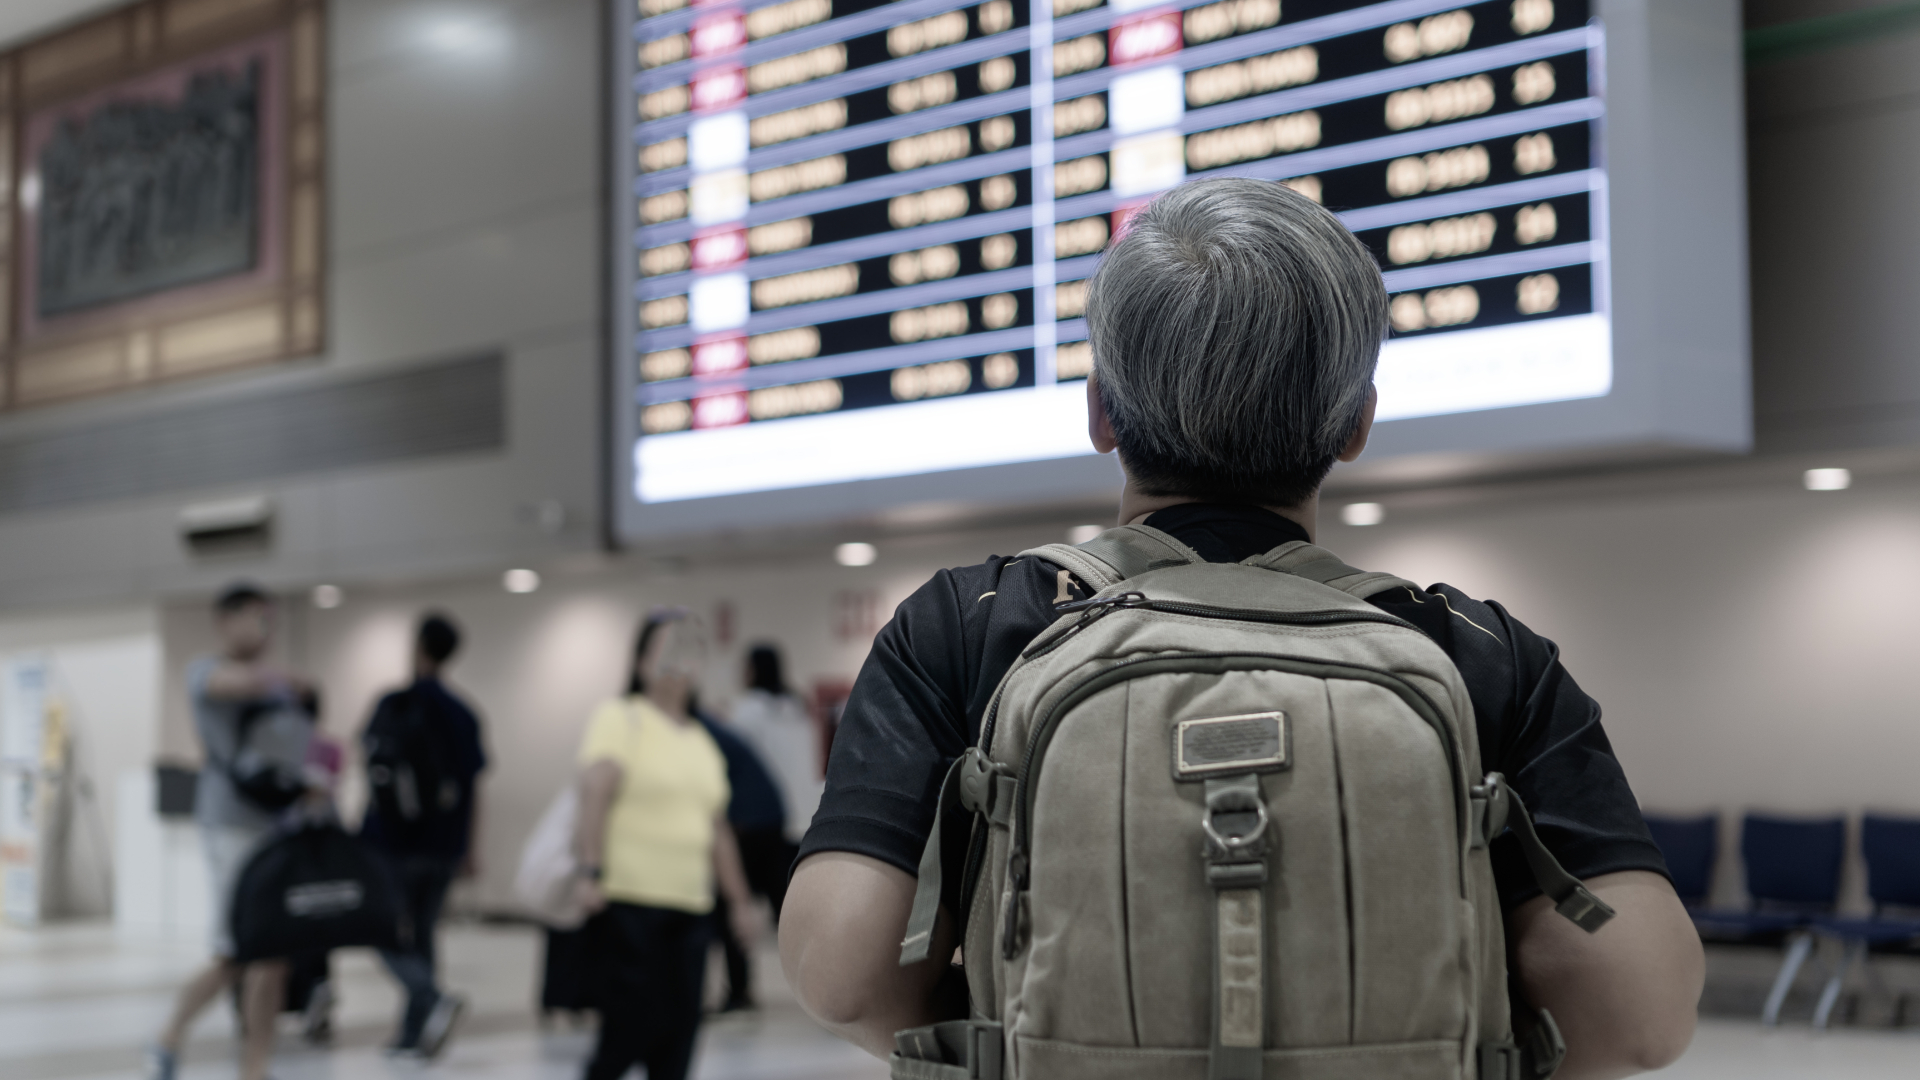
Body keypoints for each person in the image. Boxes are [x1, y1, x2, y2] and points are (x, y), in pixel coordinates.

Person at [778, 178, 1705, 1078]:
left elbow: (846, 974)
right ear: (1356, 425)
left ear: (1100, 410)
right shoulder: (1478, 652)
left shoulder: (970, 625)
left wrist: (1010, 1040)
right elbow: (1640, 1012)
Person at [572, 610, 759, 1080]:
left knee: (679, 1036)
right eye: (667, 650)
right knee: (625, 1033)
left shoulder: (702, 740)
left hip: (692, 908)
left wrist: (738, 902)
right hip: (630, 904)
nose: (680, 663)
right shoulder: (620, 718)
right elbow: (594, 793)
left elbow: (718, 830)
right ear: (640, 664)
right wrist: (589, 870)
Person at [147, 584, 311, 1080]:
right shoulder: (205, 670)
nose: (267, 630)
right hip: (230, 827)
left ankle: (255, 1066)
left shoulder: (275, 684)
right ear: (226, 620)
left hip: (277, 826)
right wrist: (287, 682)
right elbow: (237, 685)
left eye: (272, 622)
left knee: (274, 956)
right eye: (258, 618)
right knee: (236, 951)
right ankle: (169, 1033)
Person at [358, 613, 486, 1058]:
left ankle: (431, 1000)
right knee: (425, 933)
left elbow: (372, 773)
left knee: (382, 931)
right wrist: (470, 847)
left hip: (392, 842)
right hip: (444, 844)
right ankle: (415, 1033)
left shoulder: (392, 704)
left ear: (418, 647)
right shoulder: (464, 714)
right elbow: (473, 788)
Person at [695, 705, 786, 1012]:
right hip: (769, 819)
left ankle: (739, 993)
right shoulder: (710, 729)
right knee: (782, 908)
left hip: (749, 825)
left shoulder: (693, 732)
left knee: (729, 905)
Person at [729, 642, 822, 851]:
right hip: (808, 815)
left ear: (752, 670)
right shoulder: (799, 708)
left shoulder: (748, 709)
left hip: (766, 819)